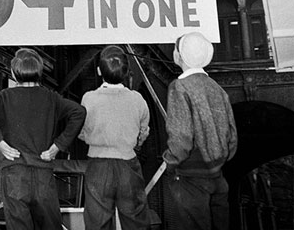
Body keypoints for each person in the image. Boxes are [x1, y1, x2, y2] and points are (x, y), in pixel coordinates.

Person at [0, 47, 86, 230]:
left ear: (14, 73)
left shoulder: (4, 98)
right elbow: (79, 112)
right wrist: (57, 146)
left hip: (14, 174)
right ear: (39, 72)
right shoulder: (51, 98)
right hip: (43, 175)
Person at [163, 31, 238, 230]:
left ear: (179, 56)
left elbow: (181, 138)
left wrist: (170, 161)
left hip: (191, 180)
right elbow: (232, 137)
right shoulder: (217, 88)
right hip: (218, 178)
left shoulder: (179, 87)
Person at [79, 45, 151, 230]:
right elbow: (143, 132)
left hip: (98, 167)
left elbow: (81, 131)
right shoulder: (137, 99)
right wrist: (133, 145)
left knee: (97, 223)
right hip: (128, 165)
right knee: (136, 223)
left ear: (98, 70)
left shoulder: (89, 99)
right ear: (127, 72)